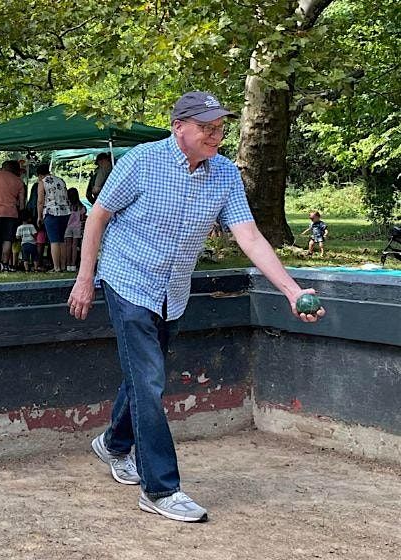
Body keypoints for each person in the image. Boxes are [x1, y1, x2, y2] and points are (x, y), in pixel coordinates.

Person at [67, 91, 326, 523]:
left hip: (172, 290)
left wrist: (292, 291)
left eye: (220, 128)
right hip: (127, 279)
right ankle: (160, 489)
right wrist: (84, 278)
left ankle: (113, 443)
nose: (216, 136)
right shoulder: (140, 162)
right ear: (179, 128)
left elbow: (250, 237)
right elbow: (98, 217)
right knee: (149, 381)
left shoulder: (224, 174)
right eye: (207, 128)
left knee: (141, 376)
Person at [36, 163, 71, 273]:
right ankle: (63, 265)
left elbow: (40, 201)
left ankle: (56, 267)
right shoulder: (60, 180)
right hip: (65, 211)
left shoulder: (42, 182)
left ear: (39, 174)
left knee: (54, 240)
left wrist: (39, 216)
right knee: (61, 240)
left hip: (51, 212)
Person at [65, 188, 87, 272]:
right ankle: (73, 265)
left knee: (68, 246)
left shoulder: (67, 206)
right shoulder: (81, 207)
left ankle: (68, 264)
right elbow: (82, 218)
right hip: (77, 228)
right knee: (74, 247)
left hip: (67, 227)